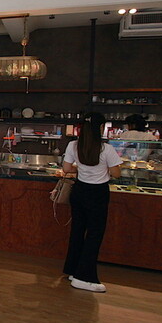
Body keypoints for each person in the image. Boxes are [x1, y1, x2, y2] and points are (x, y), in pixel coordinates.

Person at [62, 112, 122, 293]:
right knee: (95, 234)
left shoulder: (73, 145)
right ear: (101, 127)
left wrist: (82, 167)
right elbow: (116, 173)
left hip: (79, 191)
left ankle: (73, 270)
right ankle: (84, 277)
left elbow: (66, 168)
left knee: (77, 231)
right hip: (97, 193)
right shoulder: (106, 149)